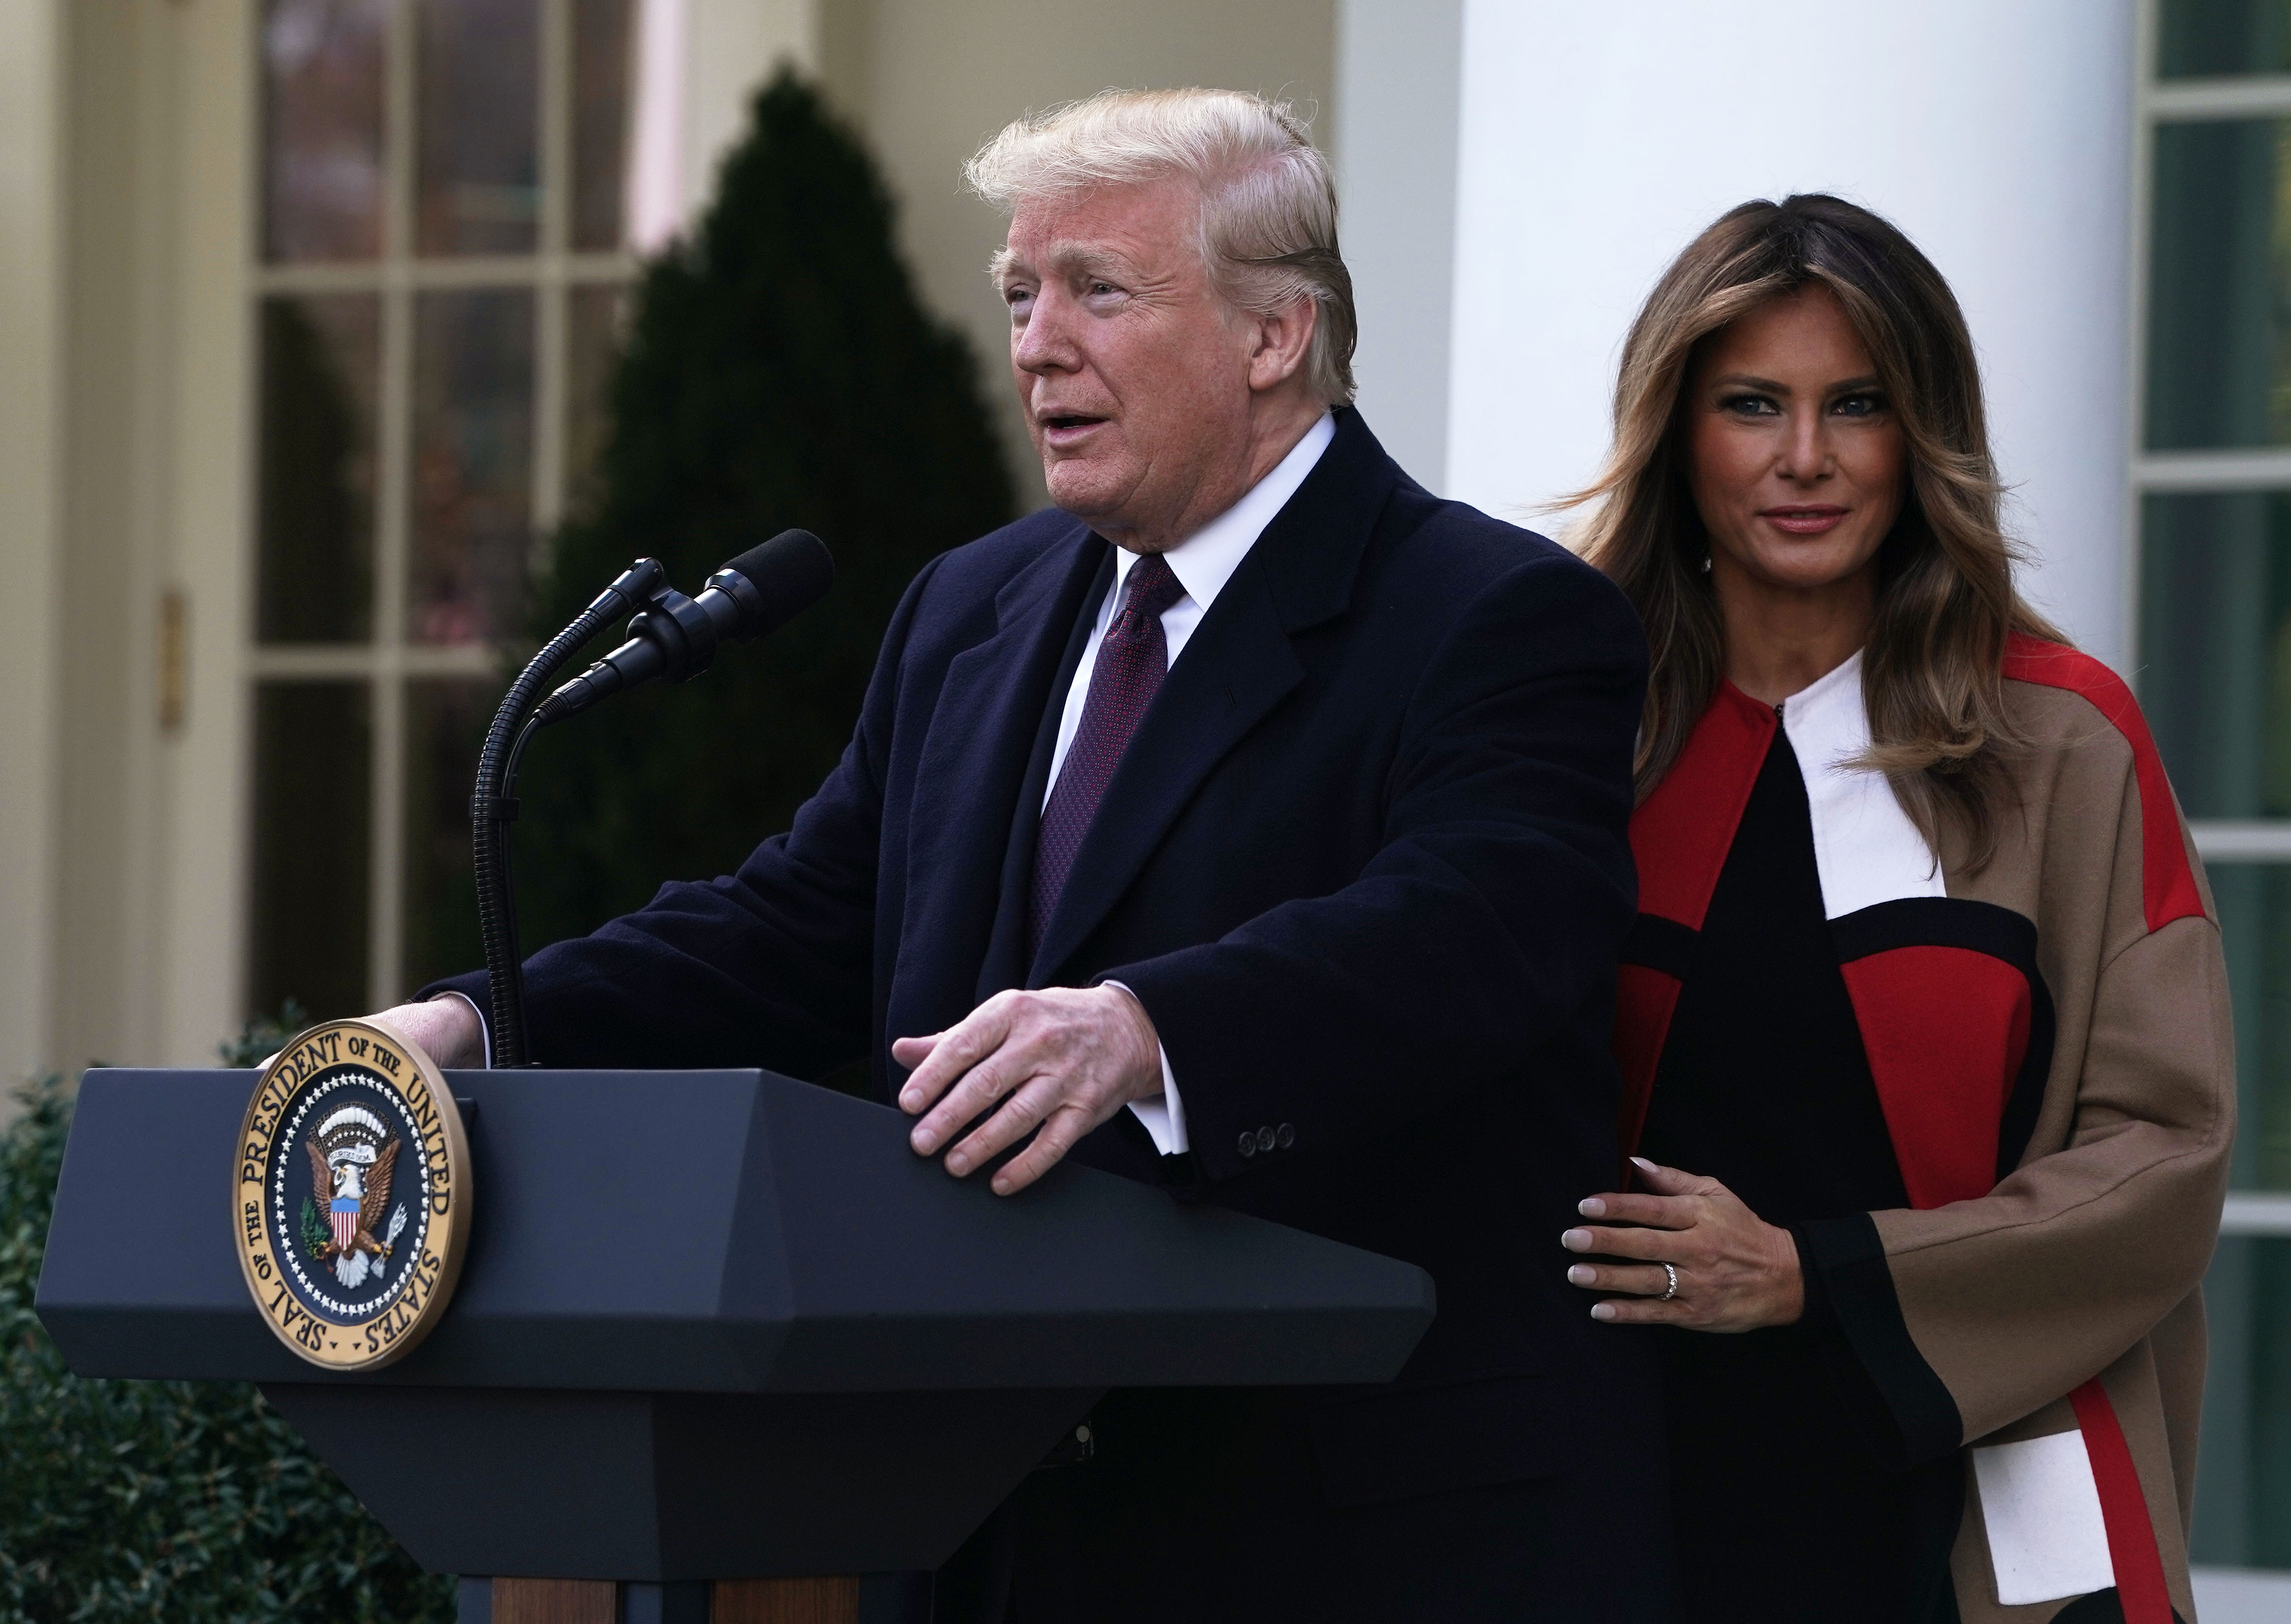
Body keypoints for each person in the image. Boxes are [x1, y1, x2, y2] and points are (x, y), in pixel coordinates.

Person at [369, 90, 1670, 1623]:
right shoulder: (976, 604)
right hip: (994, 1520)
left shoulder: (1492, 614)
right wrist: (472, 1024)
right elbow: (798, 924)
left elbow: (1474, 925)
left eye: (1100, 292)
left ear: (1275, 335)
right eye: (1019, 295)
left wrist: (1150, 1031)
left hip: (1354, 1528)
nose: (1039, 344)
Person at [1554, 195, 2232, 1624]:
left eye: (1855, 404)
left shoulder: (2064, 740)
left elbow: (2165, 1153)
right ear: (1680, 431)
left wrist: (1815, 1272)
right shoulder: (1571, 738)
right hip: (1631, 1485)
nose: (1807, 458)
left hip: (1979, 1503)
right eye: (1753, 404)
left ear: (1921, 435)